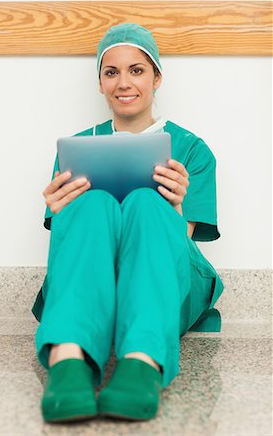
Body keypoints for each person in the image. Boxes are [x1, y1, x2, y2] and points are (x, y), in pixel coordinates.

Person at [31, 23, 224, 423]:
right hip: (91, 276)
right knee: (91, 203)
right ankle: (69, 358)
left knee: (146, 203)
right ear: (99, 83)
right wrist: (63, 211)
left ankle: (142, 360)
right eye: (111, 72)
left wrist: (173, 207)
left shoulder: (191, 151)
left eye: (137, 70)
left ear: (157, 78)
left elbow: (181, 242)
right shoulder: (76, 149)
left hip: (165, 278)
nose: (124, 82)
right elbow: (73, 243)